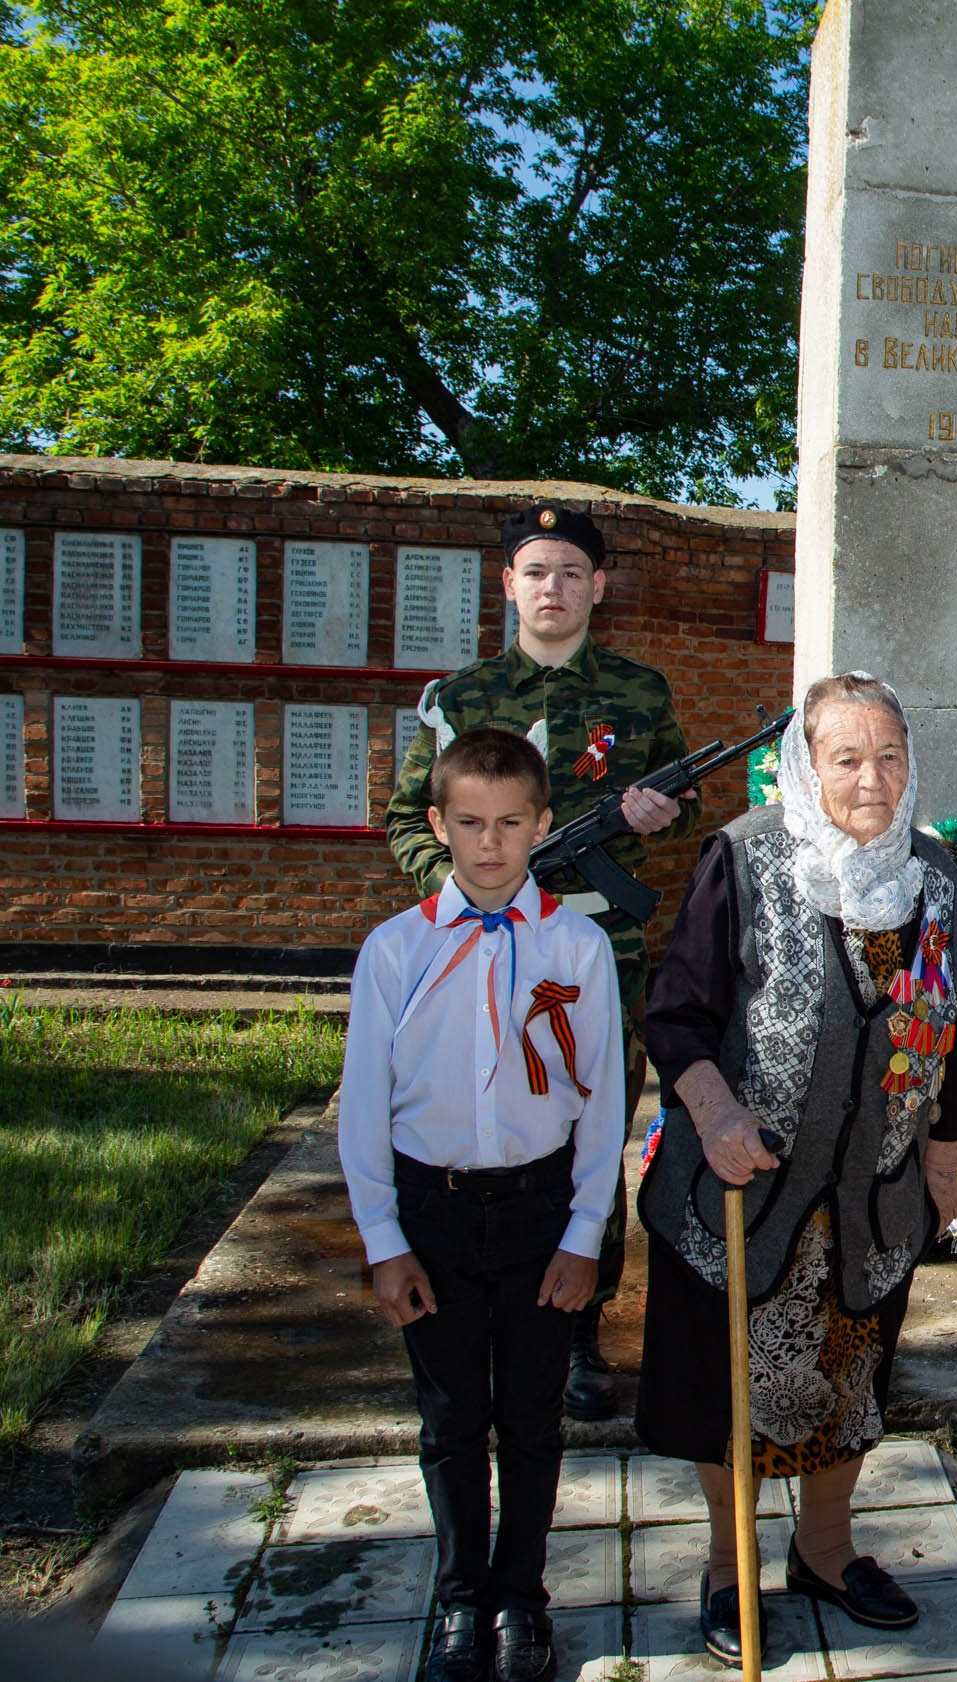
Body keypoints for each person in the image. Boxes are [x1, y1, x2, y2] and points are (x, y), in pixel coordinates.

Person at [635, 673, 957, 1662]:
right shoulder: (743, 857)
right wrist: (717, 1110)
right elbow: (676, 1012)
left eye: (891, 755)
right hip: (744, 1185)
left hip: (873, 1193)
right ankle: (726, 1567)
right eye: (848, 757)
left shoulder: (940, 875)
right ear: (806, 765)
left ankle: (826, 1552)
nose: (873, 778)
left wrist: (946, 1165)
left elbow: (956, 1028)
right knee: (723, 1384)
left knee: (852, 1375)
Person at [387, 502, 700, 1421]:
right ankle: (471, 1313)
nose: (553, 588)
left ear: (598, 586)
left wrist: (659, 817)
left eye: (571, 572)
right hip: (480, 948)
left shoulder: (641, 693)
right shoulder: (460, 700)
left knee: (589, 1140)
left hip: (601, 951)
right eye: (537, 572)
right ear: (510, 586)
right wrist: (461, 889)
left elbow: (680, 803)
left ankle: (576, 1333)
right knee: (484, 1123)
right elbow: (409, 818)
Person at [340, 728, 625, 1682]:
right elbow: (365, 1112)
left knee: (534, 1418)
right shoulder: (395, 950)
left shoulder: (577, 947)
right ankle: (461, 1600)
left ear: (542, 825)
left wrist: (586, 1235)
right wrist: (385, 1241)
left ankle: (522, 1601)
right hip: (435, 1213)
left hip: (541, 1208)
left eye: (511, 824)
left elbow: (604, 1106)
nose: (491, 844)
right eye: (470, 823)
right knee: (452, 1417)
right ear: (439, 825)